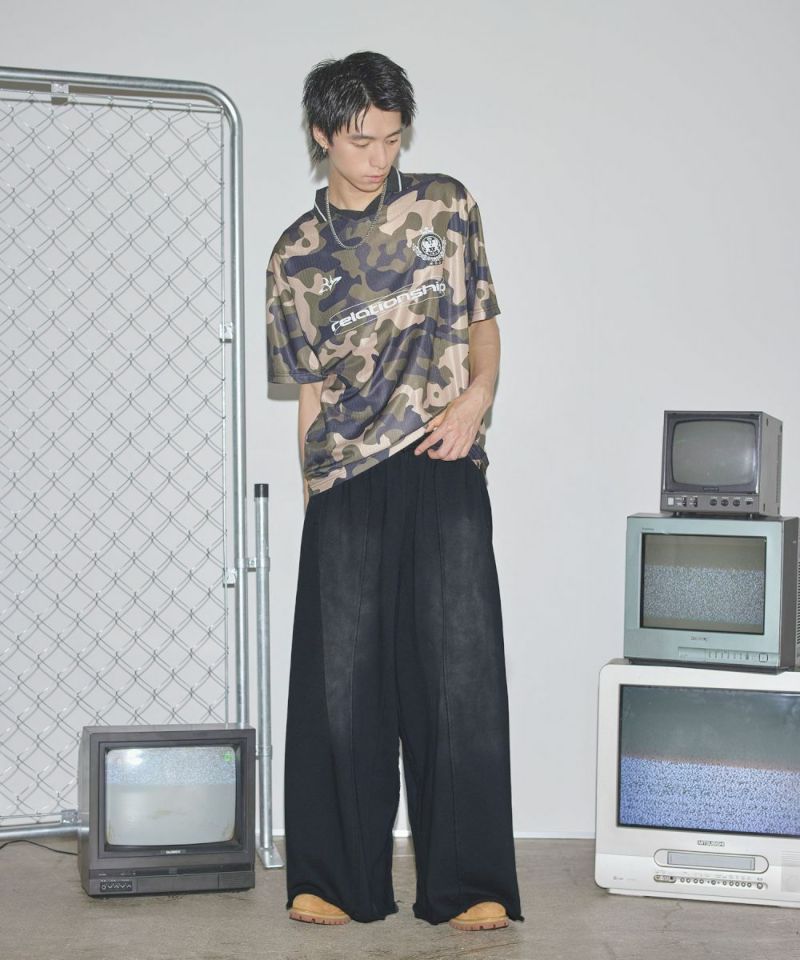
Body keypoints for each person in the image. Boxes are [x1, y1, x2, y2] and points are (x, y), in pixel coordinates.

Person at [266, 50, 523, 932]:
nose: (379, 156)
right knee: (342, 685)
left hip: (442, 465)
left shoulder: (446, 206)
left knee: (459, 675)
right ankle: (337, 881)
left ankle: (469, 883)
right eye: (361, 140)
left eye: (391, 138)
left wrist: (477, 399)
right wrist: (316, 496)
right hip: (346, 478)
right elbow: (309, 395)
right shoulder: (294, 256)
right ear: (322, 136)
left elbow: (484, 324)